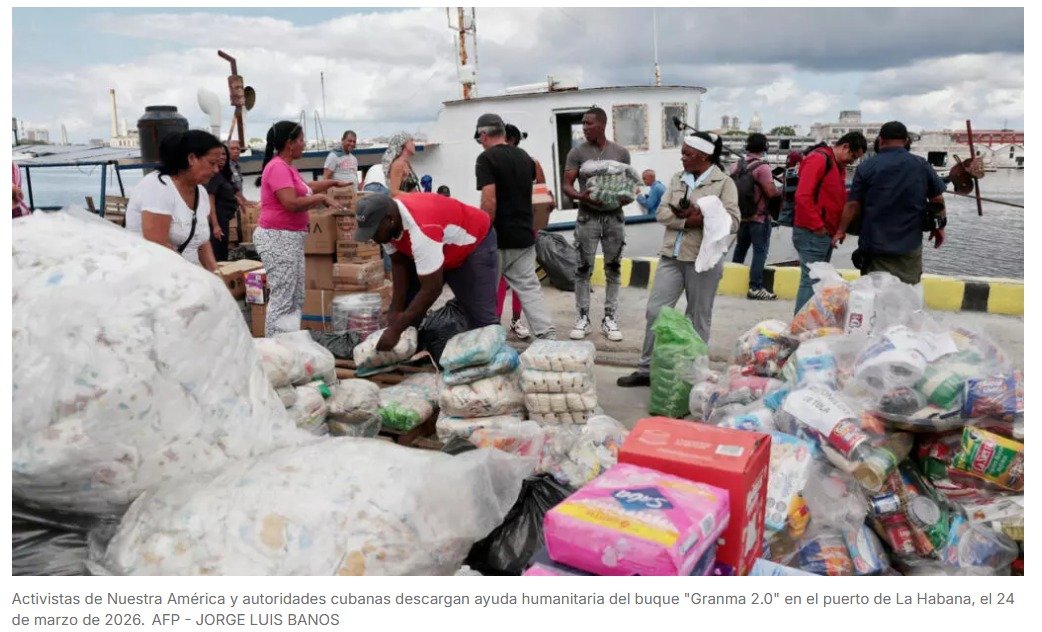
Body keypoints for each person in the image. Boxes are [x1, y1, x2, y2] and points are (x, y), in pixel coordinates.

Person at [618, 131, 740, 387]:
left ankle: (693, 374)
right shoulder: (677, 179)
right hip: (671, 256)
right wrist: (689, 221)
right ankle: (646, 369)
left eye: (688, 153)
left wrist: (702, 218)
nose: (682, 157)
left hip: (703, 259)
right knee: (655, 311)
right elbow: (661, 213)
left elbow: (733, 221)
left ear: (704, 156)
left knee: (697, 317)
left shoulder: (724, 183)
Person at [353, 193, 499, 351]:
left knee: (482, 323)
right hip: (438, 246)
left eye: (374, 232)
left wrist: (395, 330)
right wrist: (395, 311)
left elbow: (432, 289)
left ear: (390, 220)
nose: (373, 239)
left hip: (473, 245)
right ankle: (407, 353)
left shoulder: (422, 229)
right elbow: (398, 262)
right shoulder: (390, 223)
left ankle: (498, 365)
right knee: (406, 311)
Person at [254, 121, 352, 336]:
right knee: (283, 297)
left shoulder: (287, 166)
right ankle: (276, 347)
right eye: (300, 139)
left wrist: (332, 184)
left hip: (290, 238)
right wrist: (320, 198)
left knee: (296, 296)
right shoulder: (277, 167)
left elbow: (307, 188)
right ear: (290, 143)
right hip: (277, 238)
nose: (304, 143)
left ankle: (289, 341)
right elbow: (291, 202)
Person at [474, 113, 556, 341]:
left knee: (486, 292)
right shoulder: (526, 159)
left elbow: (489, 201)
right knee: (529, 288)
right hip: (524, 235)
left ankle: (487, 341)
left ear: (483, 135)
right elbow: (541, 193)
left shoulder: (486, 159)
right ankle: (547, 337)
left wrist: (482, 234)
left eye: (480, 138)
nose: (480, 143)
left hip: (497, 238)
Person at [834, 122, 945, 286]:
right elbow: (938, 200)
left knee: (875, 294)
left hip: (874, 247)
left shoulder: (866, 167)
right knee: (906, 294)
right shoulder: (922, 165)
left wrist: (841, 231)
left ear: (880, 141)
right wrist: (939, 227)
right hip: (909, 245)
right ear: (906, 140)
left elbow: (853, 205)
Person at [562, 106, 631, 341]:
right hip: (587, 217)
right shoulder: (577, 153)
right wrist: (581, 196)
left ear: (601, 124)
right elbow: (567, 185)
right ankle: (583, 318)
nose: (584, 127)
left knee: (614, 268)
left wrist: (627, 197)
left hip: (615, 217)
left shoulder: (621, 153)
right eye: (582, 123)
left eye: (588, 123)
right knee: (583, 269)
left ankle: (609, 318)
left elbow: (628, 185)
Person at [125, 130, 223, 270]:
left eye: (218, 165)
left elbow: (202, 242)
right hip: (157, 275)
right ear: (191, 159)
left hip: (188, 275)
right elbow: (158, 247)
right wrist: (194, 278)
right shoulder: (157, 187)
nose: (216, 170)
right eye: (212, 163)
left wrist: (217, 275)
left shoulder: (201, 192)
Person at [792, 131, 868, 312]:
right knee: (811, 281)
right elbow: (803, 196)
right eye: (853, 156)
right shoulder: (819, 160)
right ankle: (799, 326)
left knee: (819, 281)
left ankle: (808, 323)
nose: (853, 161)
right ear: (845, 147)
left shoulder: (836, 165)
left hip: (823, 233)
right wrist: (818, 227)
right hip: (813, 232)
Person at [496, 122, 555, 339]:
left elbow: (541, 193)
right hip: (526, 226)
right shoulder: (531, 163)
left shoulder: (510, 163)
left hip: (512, 228)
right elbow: (543, 194)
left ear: (508, 139)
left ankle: (504, 324)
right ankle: (511, 323)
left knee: (507, 280)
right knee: (522, 279)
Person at [730, 133, 782, 301]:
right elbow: (771, 193)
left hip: (742, 216)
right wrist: (783, 187)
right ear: (764, 148)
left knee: (740, 249)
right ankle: (755, 287)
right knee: (760, 252)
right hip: (759, 218)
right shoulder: (763, 167)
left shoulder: (735, 165)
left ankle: (732, 281)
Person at [206, 144, 238, 262]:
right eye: (219, 155)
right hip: (217, 222)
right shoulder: (214, 176)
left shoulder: (222, 175)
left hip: (224, 221)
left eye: (224, 154)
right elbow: (211, 202)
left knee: (223, 253)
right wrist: (215, 226)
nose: (222, 157)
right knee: (218, 256)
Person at [383, 132, 421, 197]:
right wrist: (414, 197)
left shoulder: (406, 163)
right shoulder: (398, 164)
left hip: (411, 202)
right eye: (411, 141)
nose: (414, 144)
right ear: (403, 144)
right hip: (404, 203)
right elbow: (394, 192)